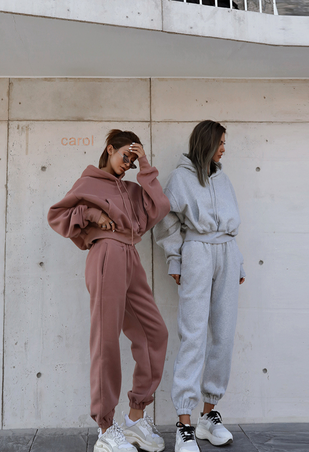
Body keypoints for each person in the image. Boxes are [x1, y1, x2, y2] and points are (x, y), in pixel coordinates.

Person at [48, 129, 170, 452]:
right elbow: (57, 215)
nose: (127, 163)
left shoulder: (132, 188)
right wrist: (92, 213)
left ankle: (134, 417)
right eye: (125, 156)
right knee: (106, 340)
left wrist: (144, 164)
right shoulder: (89, 182)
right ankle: (105, 429)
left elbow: (159, 208)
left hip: (131, 257)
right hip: (106, 256)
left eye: (133, 159)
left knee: (154, 333)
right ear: (109, 149)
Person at [154, 120, 245, 449]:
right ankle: (184, 423)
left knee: (223, 333)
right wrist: (174, 259)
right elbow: (165, 221)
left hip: (226, 254)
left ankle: (209, 415)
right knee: (192, 335)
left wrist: (238, 261)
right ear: (206, 142)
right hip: (196, 253)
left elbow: (231, 224)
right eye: (221, 142)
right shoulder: (180, 178)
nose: (224, 148)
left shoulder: (223, 177)